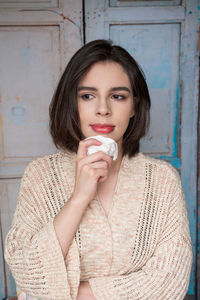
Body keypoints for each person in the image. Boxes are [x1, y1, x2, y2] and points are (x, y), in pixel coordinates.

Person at [5, 39, 192, 300]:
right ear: (72, 102)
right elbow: (26, 271)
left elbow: (170, 281)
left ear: (134, 105)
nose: (103, 109)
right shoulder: (41, 175)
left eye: (117, 96)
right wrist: (79, 198)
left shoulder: (162, 180)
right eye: (88, 96)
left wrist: (71, 292)